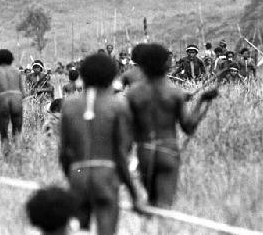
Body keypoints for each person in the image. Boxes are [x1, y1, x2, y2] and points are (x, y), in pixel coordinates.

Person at [59, 53, 142, 234]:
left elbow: (64, 153)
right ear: (112, 76)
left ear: (83, 75)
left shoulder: (69, 105)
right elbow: (121, 154)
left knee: (81, 231)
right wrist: (134, 194)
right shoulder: (118, 105)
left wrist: (72, 178)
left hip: (78, 175)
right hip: (105, 176)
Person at [126, 44, 218, 207]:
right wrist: (202, 102)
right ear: (165, 65)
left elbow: (126, 129)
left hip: (145, 152)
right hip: (167, 152)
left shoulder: (133, 93)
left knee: (151, 202)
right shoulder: (174, 92)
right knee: (164, 205)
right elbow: (188, 127)